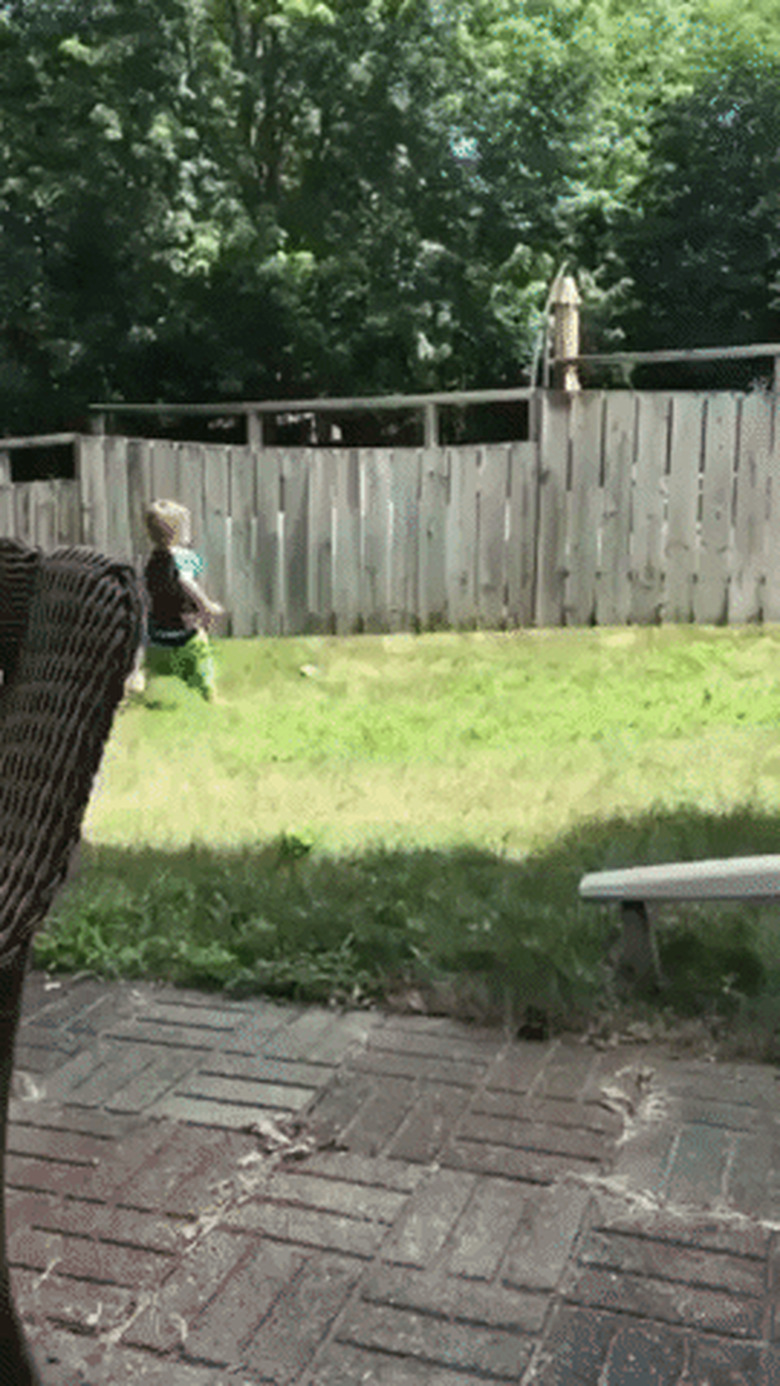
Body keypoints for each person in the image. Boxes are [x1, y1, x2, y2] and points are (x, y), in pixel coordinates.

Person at [135, 499, 224, 702]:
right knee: (201, 654)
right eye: (186, 526)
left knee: (158, 667)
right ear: (179, 532)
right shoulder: (185, 556)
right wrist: (206, 605)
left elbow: (145, 590)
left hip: (157, 635)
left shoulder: (151, 560)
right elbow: (186, 581)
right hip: (184, 633)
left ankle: (144, 682)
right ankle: (209, 695)